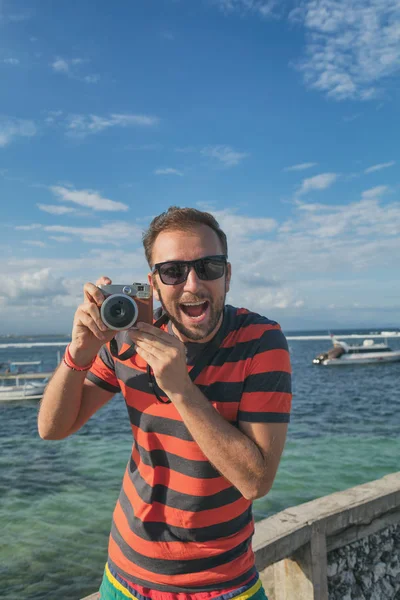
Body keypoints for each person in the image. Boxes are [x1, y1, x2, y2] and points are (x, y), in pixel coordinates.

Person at [38, 206, 292, 600]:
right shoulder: (125, 341)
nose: (192, 285)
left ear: (228, 274)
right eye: (173, 271)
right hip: (124, 574)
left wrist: (181, 389)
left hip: (224, 584)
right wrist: (79, 353)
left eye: (208, 267)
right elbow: (52, 428)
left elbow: (255, 480)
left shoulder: (261, 341)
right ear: (152, 283)